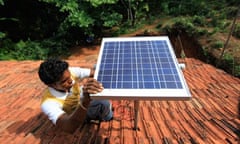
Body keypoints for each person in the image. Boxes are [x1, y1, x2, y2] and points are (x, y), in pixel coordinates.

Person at [38, 58, 113, 133]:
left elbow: (94, 72)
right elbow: (69, 126)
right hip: (77, 114)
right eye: (64, 81)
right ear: (51, 85)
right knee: (103, 102)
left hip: (80, 97)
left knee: (97, 66)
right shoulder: (48, 103)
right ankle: (108, 117)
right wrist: (85, 101)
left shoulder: (67, 73)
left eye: (69, 76)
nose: (71, 81)